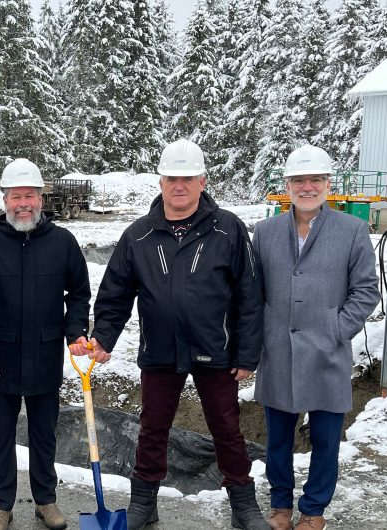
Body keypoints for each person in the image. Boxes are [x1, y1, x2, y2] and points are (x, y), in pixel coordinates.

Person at [88, 139, 268, 530]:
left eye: (188, 178)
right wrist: (103, 336)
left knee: (226, 428)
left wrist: (246, 353)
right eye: (172, 178)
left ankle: (243, 505)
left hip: (215, 349)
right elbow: (116, 292)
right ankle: (143, 503)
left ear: (203, 181)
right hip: (160, 350)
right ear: (161, 182)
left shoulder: (228, 229)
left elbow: (250, 296)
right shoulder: (139, 235)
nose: (180, 185)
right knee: (152, 428)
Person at [252, 145, 379, 530]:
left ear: (327, 183)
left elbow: (366, 290)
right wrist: (260, 336)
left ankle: (313, 510)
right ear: (287, 185)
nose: (307, 187)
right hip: (278, 351)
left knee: (325, 440)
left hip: (328, 354)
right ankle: (280, 506)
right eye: (299, 181)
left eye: (315, 180)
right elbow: (253, 292)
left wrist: (337, 329)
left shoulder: (351, 230)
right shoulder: (265, 232)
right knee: (278, 439)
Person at [0, 158, 91, 530]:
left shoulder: (62, 243)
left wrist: (75, 332)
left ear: (40, 199)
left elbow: (79, 293)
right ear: (5, 200)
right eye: (16, 196)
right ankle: (1, 506)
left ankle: (45, 501)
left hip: (45, 355)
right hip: (0, 359)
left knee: (44, 434)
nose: (23, 203)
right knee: (0, 436)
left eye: (30, 196)